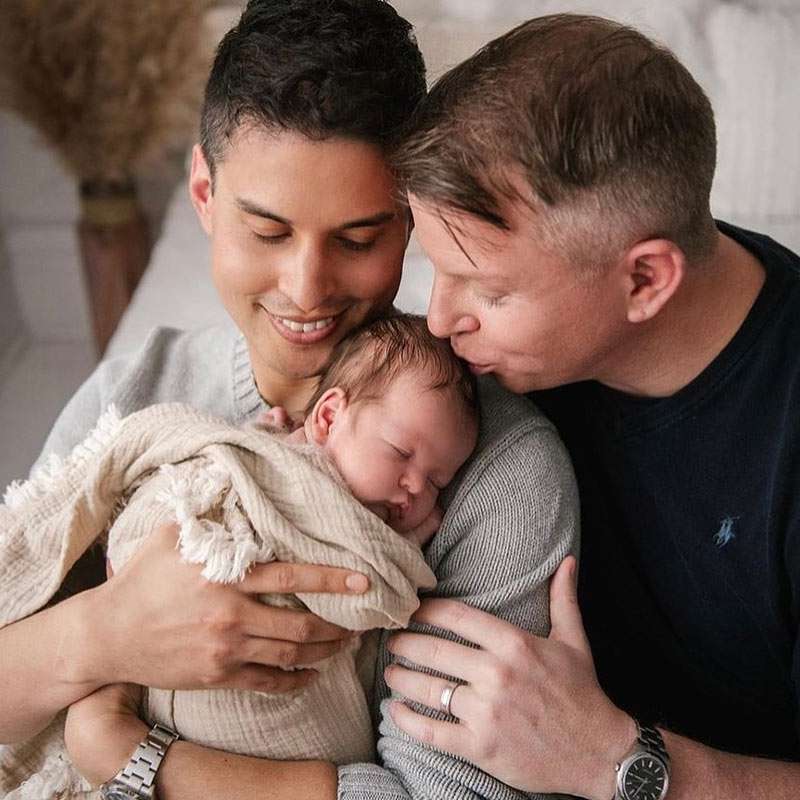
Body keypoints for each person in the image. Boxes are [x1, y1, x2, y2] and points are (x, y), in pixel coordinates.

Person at [0, 3, 578, 800]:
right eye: (268, 232)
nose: (307, 290)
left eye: (358, 239)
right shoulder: (137, 393)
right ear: (203, 191)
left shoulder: (483, 468)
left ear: (409, 223)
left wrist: (136, 760)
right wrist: (104, 637)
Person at [381, 12, 800, 800]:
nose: (440, 321)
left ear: (645, 280)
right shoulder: (491, 363)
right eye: (434, 270)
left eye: (490, 291)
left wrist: (612, 760)